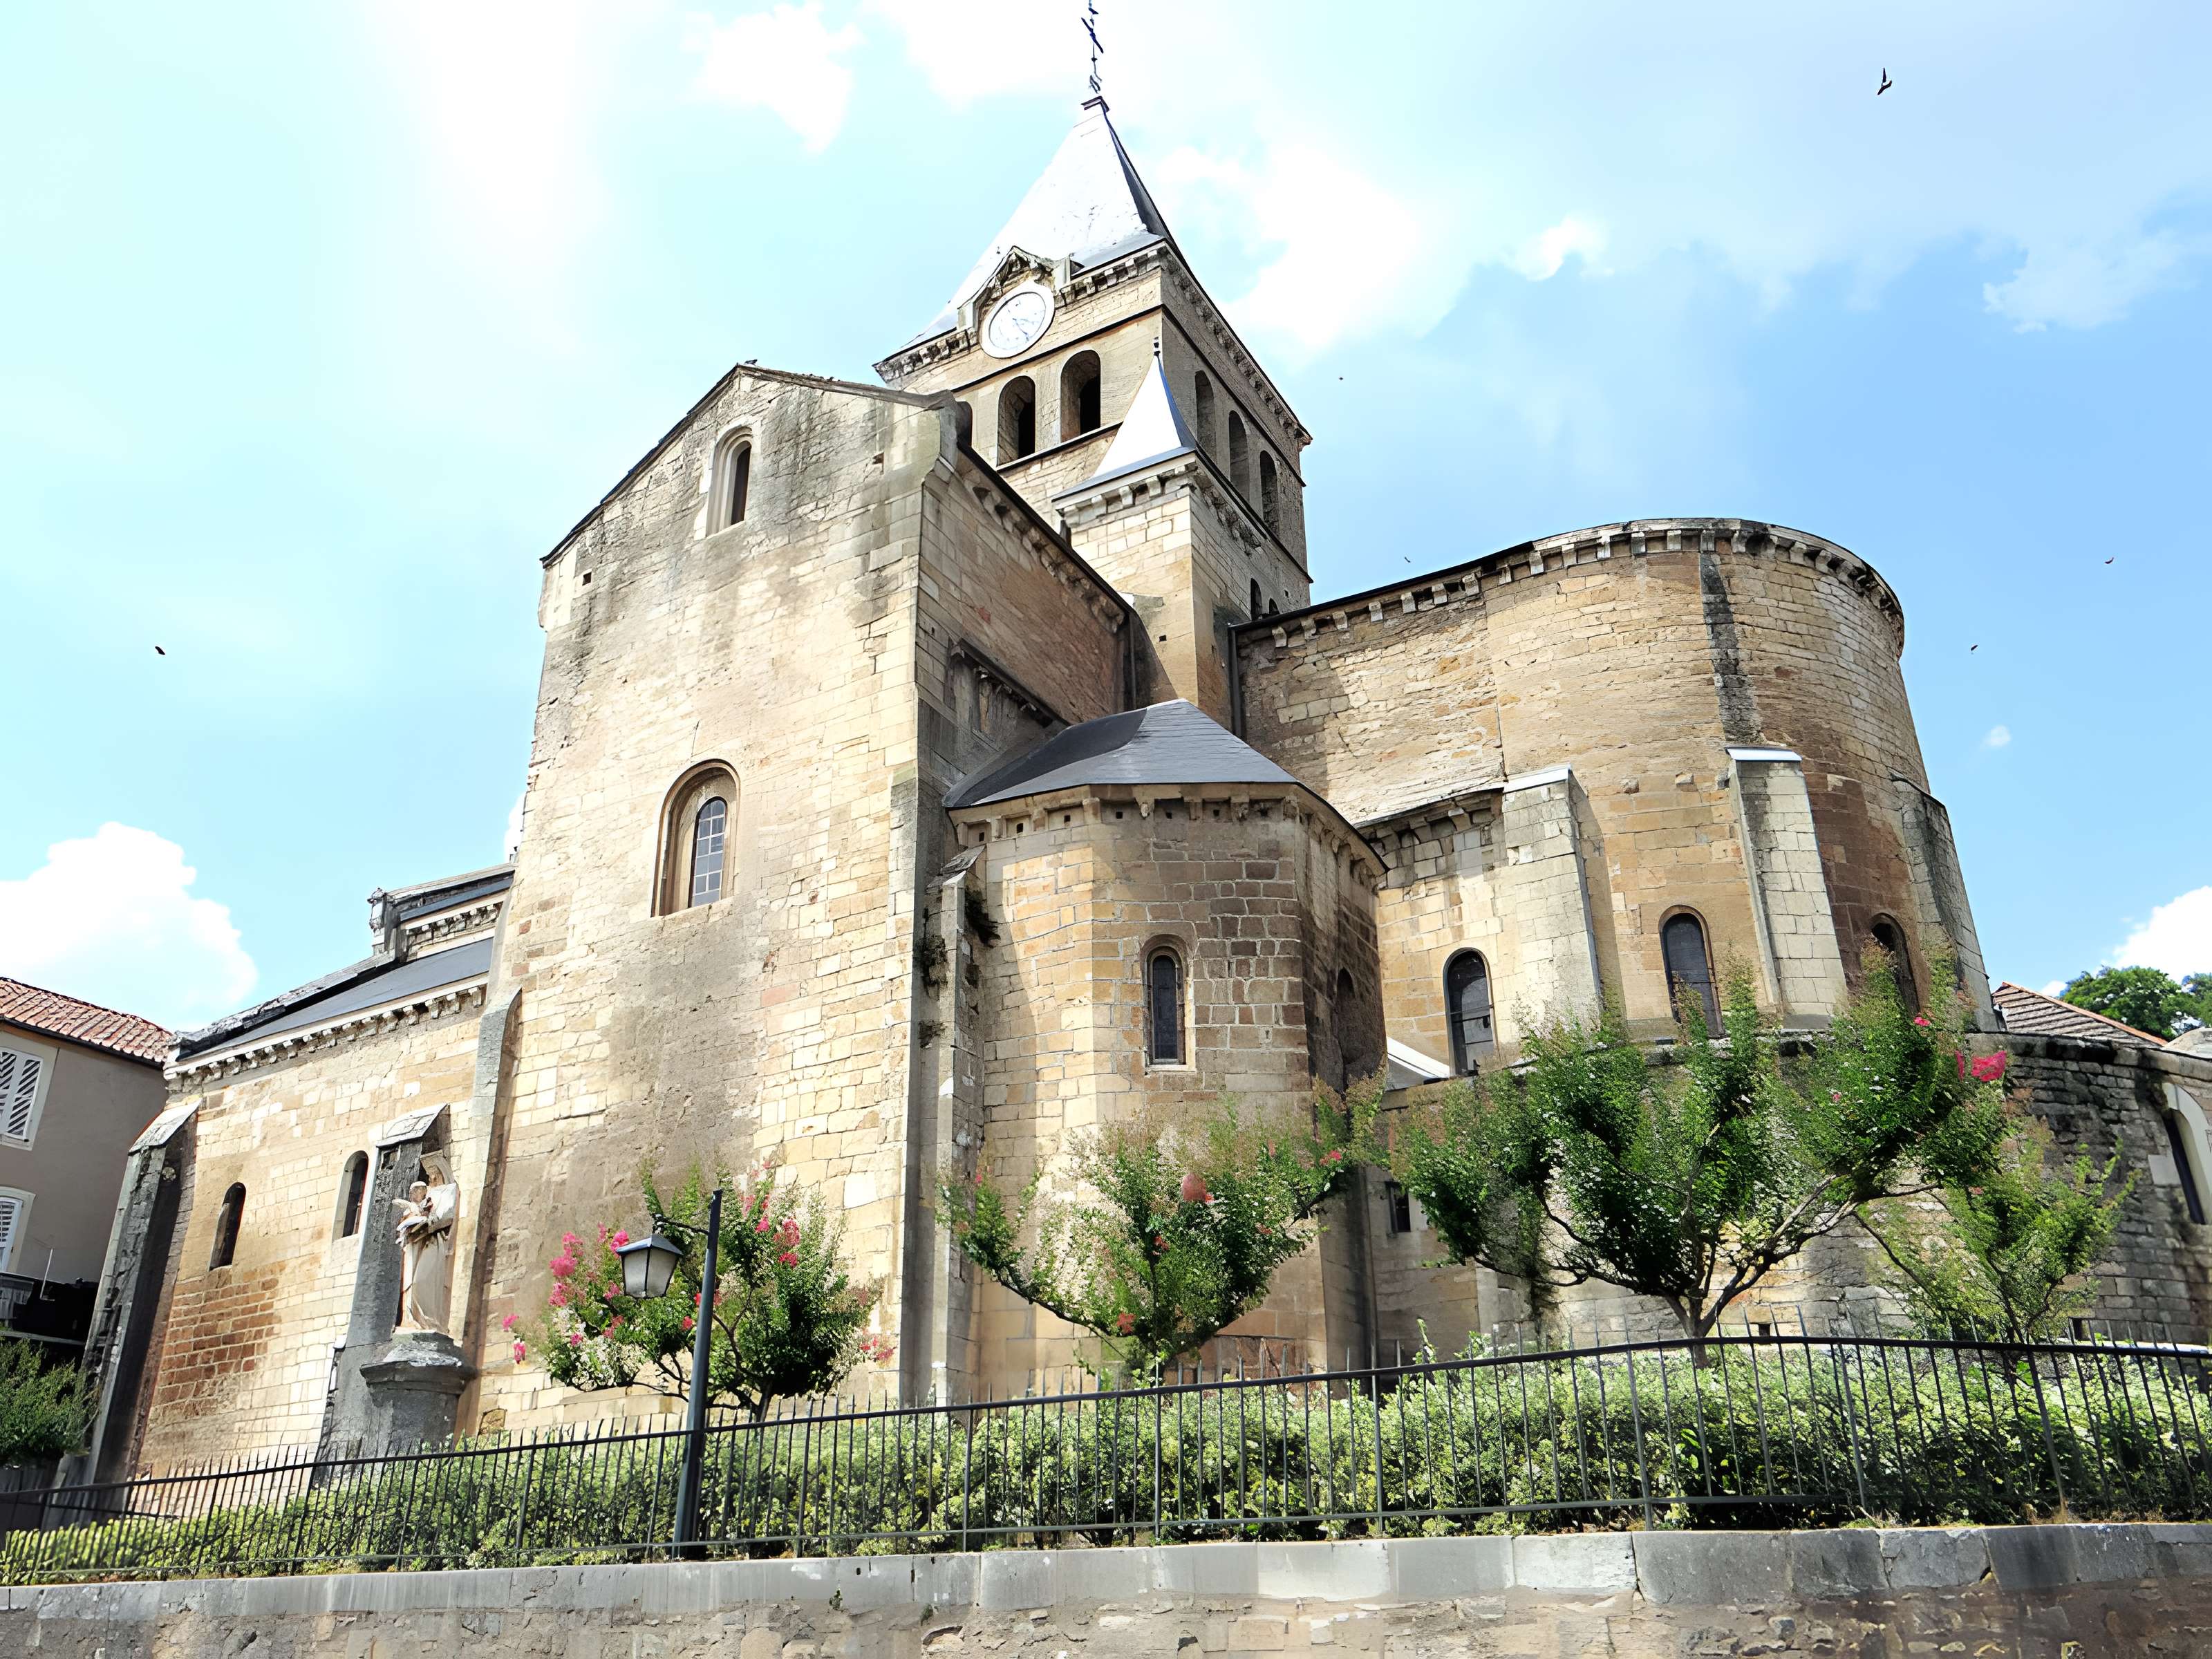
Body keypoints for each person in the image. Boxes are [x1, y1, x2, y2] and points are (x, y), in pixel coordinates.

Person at [394, 1152, 460, 1335]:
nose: (432, 1176)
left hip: (435, 1242)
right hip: (420, 1241)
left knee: (422, 1281)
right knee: (413, 1283)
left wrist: (427, 1222)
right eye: (429, 1173)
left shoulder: (449, 1189)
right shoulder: (428, 1195)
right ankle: (414, 1320)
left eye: (434, 1172)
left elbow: (447, 1215)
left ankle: (430, 1321)